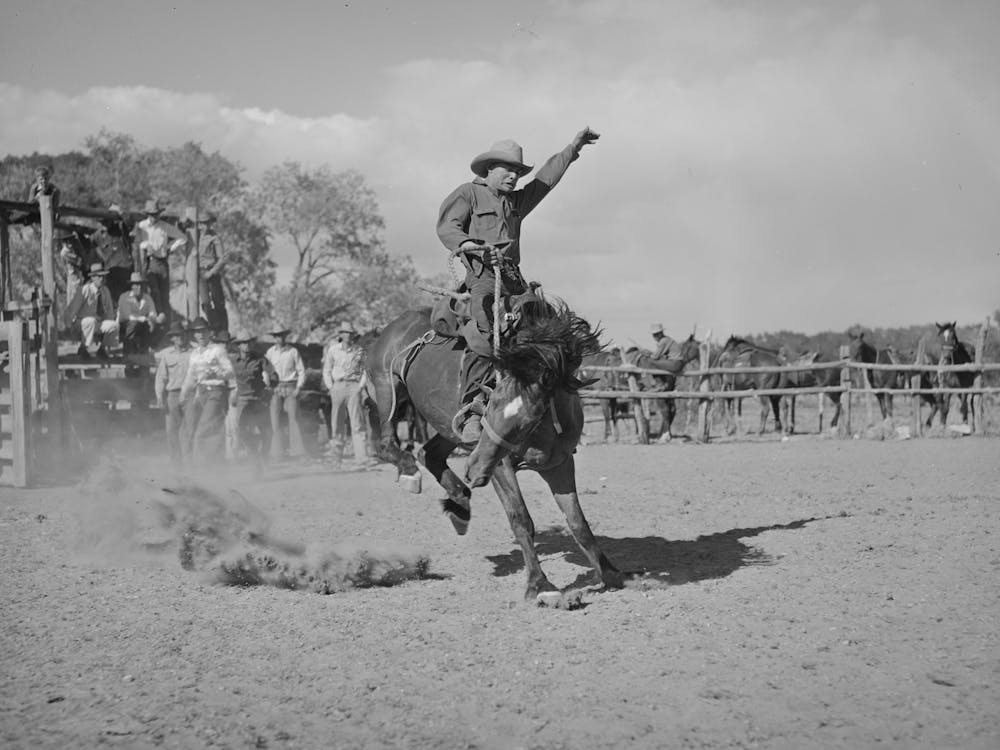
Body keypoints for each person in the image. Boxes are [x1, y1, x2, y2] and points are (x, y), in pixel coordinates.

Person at [436, 126, 600, 442]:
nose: (514, 176)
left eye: (517, 171)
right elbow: (447, 227)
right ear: (488, 169)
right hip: (483, 280)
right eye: (508, 169)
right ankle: (471, 408)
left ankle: (554, 397)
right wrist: (468, 244)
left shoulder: (516, 202)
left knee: (548, 328)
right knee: (486, 336)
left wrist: (573, 147)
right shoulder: (467, 194)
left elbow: (545, 180)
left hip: (514, 279)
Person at [179, 317, 235, 466]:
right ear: (194, 335)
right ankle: (208, 466)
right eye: (197, 332)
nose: (201, 335)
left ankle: (201, 470)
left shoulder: (218, 350)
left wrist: (215, 373)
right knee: (190, 428)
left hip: (216, 391)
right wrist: (183, 394)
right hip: (200, 392)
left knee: (204, 430)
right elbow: (190, 376)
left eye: (203, 331)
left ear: (209, 332)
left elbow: (229, 372)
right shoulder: (195, 354)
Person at [322, 321, 372, 467]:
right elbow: (327, 370)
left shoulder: (359, 351)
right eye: (345, 333)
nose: (348, 335)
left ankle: (361, 458)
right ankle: (336, 457)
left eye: (350, 333)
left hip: (353, 386)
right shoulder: (333, 350)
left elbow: (364, 370)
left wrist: (360, 386)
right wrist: (331, 386)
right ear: (340, 335)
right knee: (337, 422)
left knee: (357, 423)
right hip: (338, 386)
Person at [135, 199, 186, 330]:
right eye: (151, 214)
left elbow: (182, 238)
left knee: (164, 296)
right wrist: (147, 245)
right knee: (154, 294)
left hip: (163, 263)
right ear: (147, 214)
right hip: (150, 262)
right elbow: (137, 242)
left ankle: (167, 329)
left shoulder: (164, 226)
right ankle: (155, 327)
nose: (153, 217)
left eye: (156, 214)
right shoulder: (141, 226)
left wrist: (170, 247)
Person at [228, 330, 272, 466]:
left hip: (259, 399)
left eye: (248, 343)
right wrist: (232, 390)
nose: (246, 346)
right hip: (242, 399)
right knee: (242, 431)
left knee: (267, 432)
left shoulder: (260, 358)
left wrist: (270, 388)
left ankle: (264, 454)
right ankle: (254, 458)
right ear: (238, 346)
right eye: (243, 343)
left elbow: (272, 373)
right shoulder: (232, 360)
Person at [265, 326, 306, 459]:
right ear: (274, 337)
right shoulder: (270, 352)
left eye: (282, 335)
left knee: (293, 418)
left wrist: (298, 388)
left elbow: (301, 370)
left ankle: (297, 452)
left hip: (290, 386)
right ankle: (276, 452)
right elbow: (265, 370)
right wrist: (268, 385)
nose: (280, 338)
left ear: (285, 336)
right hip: (276, 387)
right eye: (277, 336)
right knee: (274, 418)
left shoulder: (293, 351)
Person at [154, 320, 190, 469]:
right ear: (172, 338)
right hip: (173, 395)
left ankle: (189, 466)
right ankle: (176, 467)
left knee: (188, 431)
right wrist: (159, 396)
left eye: (181, 334)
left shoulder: (193, 353)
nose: (179, 337)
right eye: (176, 335)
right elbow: (161, 377)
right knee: (171, 432)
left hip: (190, 395)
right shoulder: (167, 355)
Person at [65, 262, 118, 359]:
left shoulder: (105, 291)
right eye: (99, 276)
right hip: (81, 323)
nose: (102, 279)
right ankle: (83, 348)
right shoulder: (85, 289)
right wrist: (69, 326)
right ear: (93, 278)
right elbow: (72, 309)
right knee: (90, 320)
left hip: (96, 322)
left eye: (103, 276)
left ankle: (102, 349)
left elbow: (109, 312)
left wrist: (109, 323)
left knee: (114, 325)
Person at [117, 272, 162, 353]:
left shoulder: (147, 298)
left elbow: (152, 312)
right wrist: (145, 318)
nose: (139, 287)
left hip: (141, 326)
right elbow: (128, 316)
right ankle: (128, 355)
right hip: (125, 327)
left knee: (151, 325)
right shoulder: (125, 297)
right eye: (136, 285)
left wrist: (153, 319)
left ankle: (144, 355)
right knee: (134, 323)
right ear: (132, 286)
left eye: (141, 285)